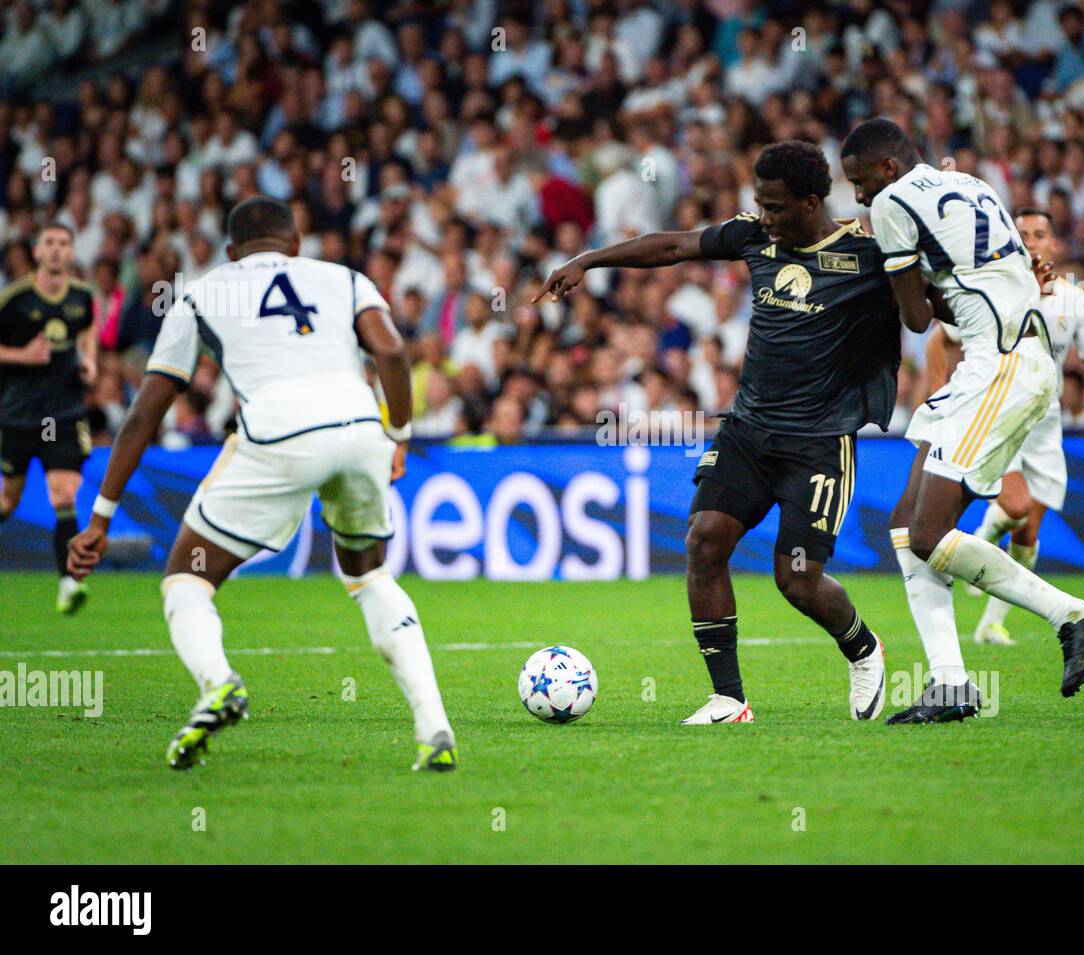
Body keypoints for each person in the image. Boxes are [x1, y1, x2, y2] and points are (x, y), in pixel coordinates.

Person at [66, 197, 458, 773]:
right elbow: (393, 351)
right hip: (359, 426)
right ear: (295, 243)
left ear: (230, 252)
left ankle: (218, 684)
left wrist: (100, 516)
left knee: (186, 578)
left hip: (279, 435)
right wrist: (397, 432)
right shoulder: (343, 277)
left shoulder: (201, 291)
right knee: (371, 576)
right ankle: (433, 728)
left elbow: (145, 414)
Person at [535, 141, 899, 724]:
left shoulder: (866, 255)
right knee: (704, 541)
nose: (766, 217)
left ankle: (862, 648)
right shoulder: (756, 235)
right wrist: (590, 260)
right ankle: (730, 699)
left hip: (819, 442)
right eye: (761, 205)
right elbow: (675, 245)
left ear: (811, 202)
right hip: (749, 430)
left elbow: (935, 294)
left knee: (797, 580)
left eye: (777, 207)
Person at [841, 118, 1084, 724]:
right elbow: (982, 279)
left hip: (1001, 363)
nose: (859, 196)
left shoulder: (890, 203)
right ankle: (950, 684)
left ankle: (1073, 614)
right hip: (997, 362)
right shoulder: (968, 182)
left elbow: (916, 317)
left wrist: (878, 274)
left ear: (887, 169)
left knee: (931, 534)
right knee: (907, 525)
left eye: (860, 182)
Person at [961, 209, 1084, 645]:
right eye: (1021, 234)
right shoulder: (995, 290)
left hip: (1046, 422)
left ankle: (992, 622)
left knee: (1029, 531)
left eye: (1039, 234)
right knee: (1015, 506)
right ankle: (981, 540)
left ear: (1055, 245)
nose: (1030, 240)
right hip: (1000, 411)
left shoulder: (1076, 301)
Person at [0, 224, 97, 614]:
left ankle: (69, 583)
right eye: (50, 243)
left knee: (64, 491)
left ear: (72, 253)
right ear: (37, 252)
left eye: (64, 244)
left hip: (64, 411)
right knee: (8, 500)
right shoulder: (15, 299)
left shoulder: (83, 296)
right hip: (19, 414)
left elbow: (87, 331)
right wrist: (23, 356)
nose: (57, 251)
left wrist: (88, 360)